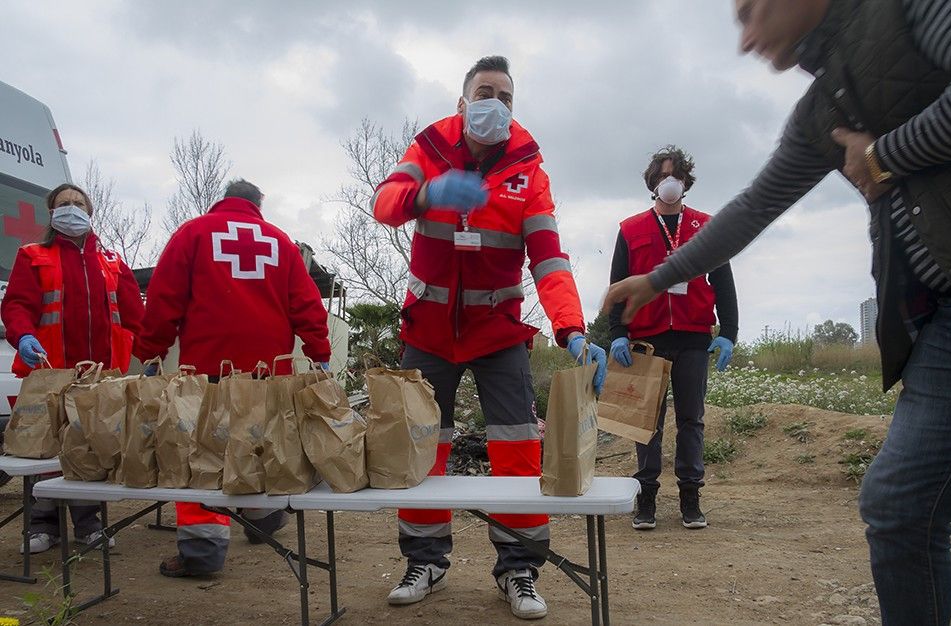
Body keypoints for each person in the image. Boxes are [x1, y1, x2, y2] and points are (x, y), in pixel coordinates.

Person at [604, 1, 951, 623]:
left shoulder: (910, 8)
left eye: (754, 11)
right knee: (899, 505)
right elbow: (756, 206)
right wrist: (655, 280)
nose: (746, 38)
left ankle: (688, 497)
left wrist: (887, 155)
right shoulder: (824, 108)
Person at [372, 55, 607, 620]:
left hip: (498, 333)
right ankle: (425, 560)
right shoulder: (426, 150)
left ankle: (519, 568)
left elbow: (549, 259)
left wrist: (572, 330)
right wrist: (428, 194)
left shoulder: (530, 170)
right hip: (428, 331)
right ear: (461, 102)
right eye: (484, 92)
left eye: (505, 96)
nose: (494, 104)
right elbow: (384, 205)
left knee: (519, 446)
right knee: (423, 451)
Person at [134, 179, 331, 578]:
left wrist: (150, 350)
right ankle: (263, 516)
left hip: (210, 369)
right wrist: (319, 354)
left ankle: (202, 553)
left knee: (205, 455)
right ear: (258, 204)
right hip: (269, 373)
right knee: (261, 446)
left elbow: (164, 296)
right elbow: (308, 305)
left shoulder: (193, 232)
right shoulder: (280, 243)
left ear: (222, 200)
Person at [1, 182, 144, 553]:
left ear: (90, 212)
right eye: (63, 203)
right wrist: (23, 336)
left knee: (89, 447)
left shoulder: (112, 263)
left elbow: (137, 317)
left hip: (98, 377)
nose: (70, 208)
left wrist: (154, 355)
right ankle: (41, 525)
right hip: (48, 371)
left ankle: (88, 523)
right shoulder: (33, 255)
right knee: (44, 450)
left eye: (77, 203)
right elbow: (16, 305)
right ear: (51, 212)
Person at [608, 146, 738, 531]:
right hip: (647, 338)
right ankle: (645, 495)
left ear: (685, 182)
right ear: (653, 182)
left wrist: (728, 332)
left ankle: (690, 496)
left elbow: (724, 282)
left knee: (691, 419)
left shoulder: (706, 226)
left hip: (694, 337)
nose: (671, 182)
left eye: (677, 175)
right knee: (646, 421)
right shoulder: (630, 229)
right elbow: (617, 284)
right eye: (664, 175)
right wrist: (618, 333)